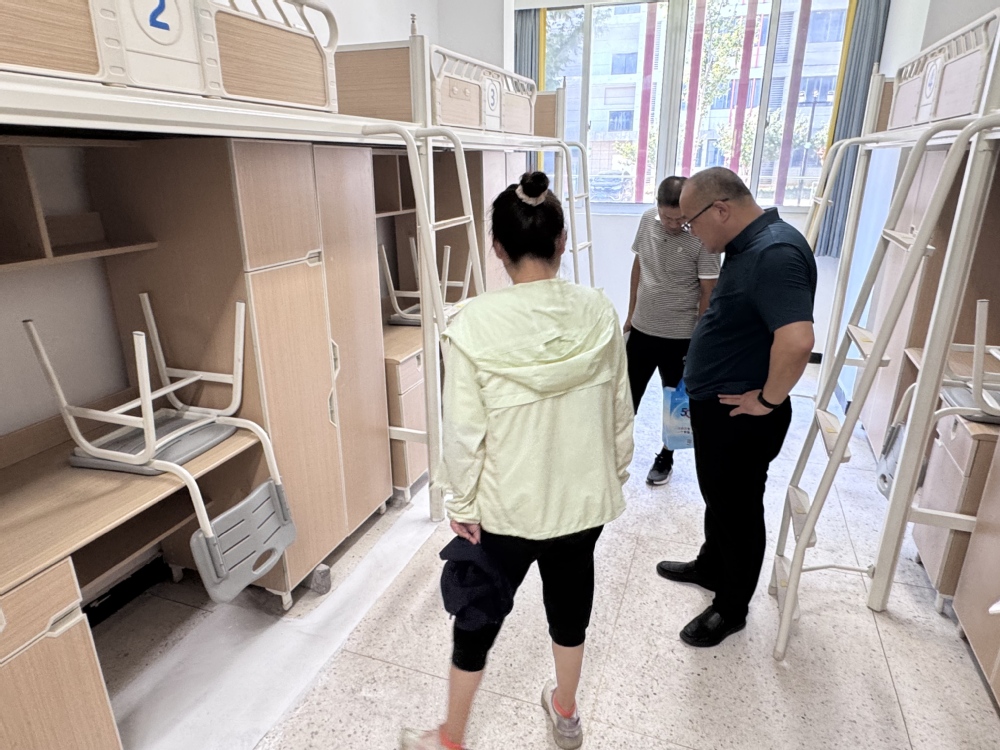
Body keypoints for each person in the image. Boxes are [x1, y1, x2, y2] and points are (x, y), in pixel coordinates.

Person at [401, 172, 634, 750]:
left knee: (477, 614)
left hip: (506, 507)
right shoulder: (599, 312)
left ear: (497, 248)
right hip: (582, 500)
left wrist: (459, 501)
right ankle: (566, 713)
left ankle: (451, 737)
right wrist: (614, 473)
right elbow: (619, 409)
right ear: (561, 242)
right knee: (571, 607)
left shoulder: (474, 323)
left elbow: (464, 431)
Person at [656, 167, 816, 648]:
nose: (691, 233)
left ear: (721, 209)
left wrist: (767, 400)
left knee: (739, 509)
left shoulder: (775, 253)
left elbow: (797, 340)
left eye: (692, 222)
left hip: (742, 416)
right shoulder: (749, 245)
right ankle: (711, 565)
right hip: (719, 408)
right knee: (720, 499)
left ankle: (731, 607)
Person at [625, 176, 719, 485]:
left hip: (681, 337)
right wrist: (630, 314)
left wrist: (700, 339)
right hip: (642, 328)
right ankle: (614, 452)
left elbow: (708, 291)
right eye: (668, 218)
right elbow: (639, 266)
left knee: (676, 403)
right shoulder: (646, 221)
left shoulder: (702, 235)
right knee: (625, 397)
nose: (674, 224)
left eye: (681, 219)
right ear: (657, 208)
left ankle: (666, 456)